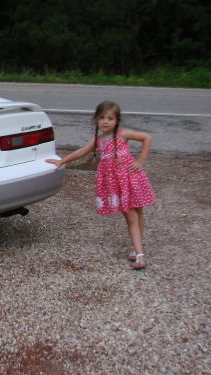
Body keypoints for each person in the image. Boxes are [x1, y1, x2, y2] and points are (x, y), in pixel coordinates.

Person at [46, 101, 156, 270]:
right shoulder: (98, 140)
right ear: (96, 120)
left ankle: (137, 250)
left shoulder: (122, 134)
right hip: (115, 183)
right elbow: (82, 151)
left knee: (138, 211)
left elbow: (147, 138)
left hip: (129, 177)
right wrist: (62, 161)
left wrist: (140, 160)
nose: (105, 121)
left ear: (117, 121)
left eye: (110, 118)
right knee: (130, 216)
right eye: (102, 117)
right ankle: (138, 251)